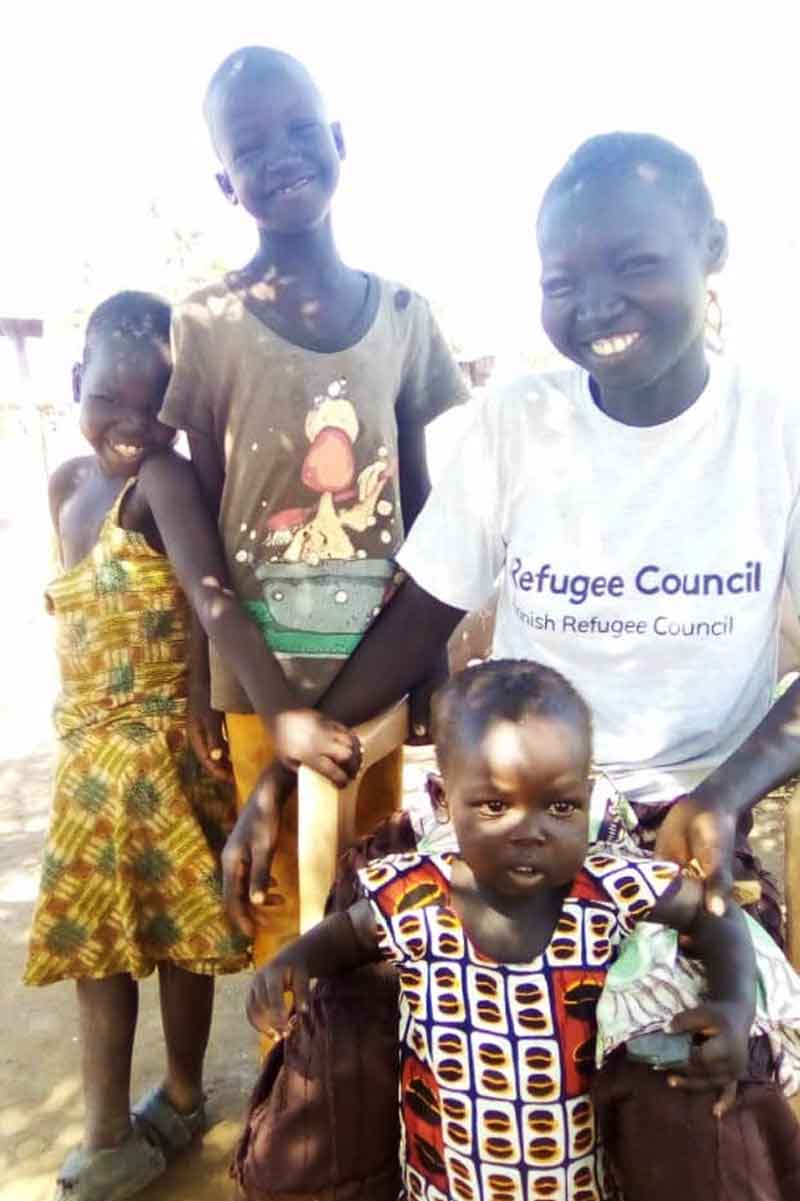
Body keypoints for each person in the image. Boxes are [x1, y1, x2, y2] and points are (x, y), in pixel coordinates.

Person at [224, 131, 800, 938]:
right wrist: (282, 777)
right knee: (351, 1021)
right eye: (563, 281)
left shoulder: (777, 429)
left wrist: (726, 794)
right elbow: (422, 611)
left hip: (686, 813)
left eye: (634, 265)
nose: (597, 304)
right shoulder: (519, 424)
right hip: (508, 807)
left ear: (712, 250)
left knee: (696, 1049)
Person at [24, 290, 360, 1201]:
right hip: (91, 750)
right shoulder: (63, 485)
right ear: (73, 383)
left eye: (153, 406)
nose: (131, 425)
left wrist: (219, 698)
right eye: (109, 401)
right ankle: (143, 1115)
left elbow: (211, 592)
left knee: (160, 937)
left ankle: (140, 1117)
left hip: (164, 752)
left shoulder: (164, 481)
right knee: (120, 937)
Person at [159, 46, 468, 972]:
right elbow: (204, 521)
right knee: (280, 904)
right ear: (225, 183)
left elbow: (421, 505)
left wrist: (435, 668)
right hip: (263, 681)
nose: (280, 154)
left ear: (339, 140)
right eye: (249, 147)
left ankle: (361, 1099)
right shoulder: (206, 324)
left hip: (372, 669)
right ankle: (291, 1104)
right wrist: (204, 679)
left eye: (300, 130)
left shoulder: (405, 316)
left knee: (370, 898)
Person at [247, 660, 762, 1201]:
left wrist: (733, 1006)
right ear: (445, 803)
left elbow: (712, 915)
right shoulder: (415, 897)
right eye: (495, 806)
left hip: (584, 1186)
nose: (530, 832)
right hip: (446, 1187)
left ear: (587, 799)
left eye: (560, 806)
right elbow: (345, 938)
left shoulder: (609, 887)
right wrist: (291, 963)